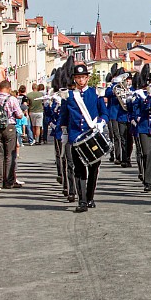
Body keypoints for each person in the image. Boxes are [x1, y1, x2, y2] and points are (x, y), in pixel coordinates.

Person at [60, 64, 109, 213]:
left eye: (83, 77)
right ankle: (81, 201)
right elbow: (64, 116)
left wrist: (101, 123)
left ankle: (90, 197)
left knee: (94, 169)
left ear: (87, 78)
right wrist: (63, 132)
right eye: (78, 77)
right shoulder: (68, 96)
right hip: (76, 137)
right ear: (74, 79)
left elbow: (104, 113)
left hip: (92, 136)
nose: (81, 80)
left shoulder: (96, 93)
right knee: (79, 169)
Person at [0, 80, 24, 190]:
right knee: (10, 154)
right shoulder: (11, 99)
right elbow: (19, 115)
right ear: (8, 88)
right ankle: (8, 181)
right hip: (9, 127)